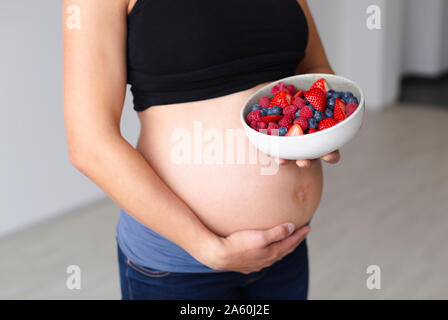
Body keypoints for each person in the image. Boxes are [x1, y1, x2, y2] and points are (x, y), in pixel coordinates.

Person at [62, 0, 340, 300]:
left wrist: (320, 130)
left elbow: (314, 69)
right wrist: (207, 248)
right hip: (180, 269)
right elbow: (89, 143)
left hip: (285, 251)